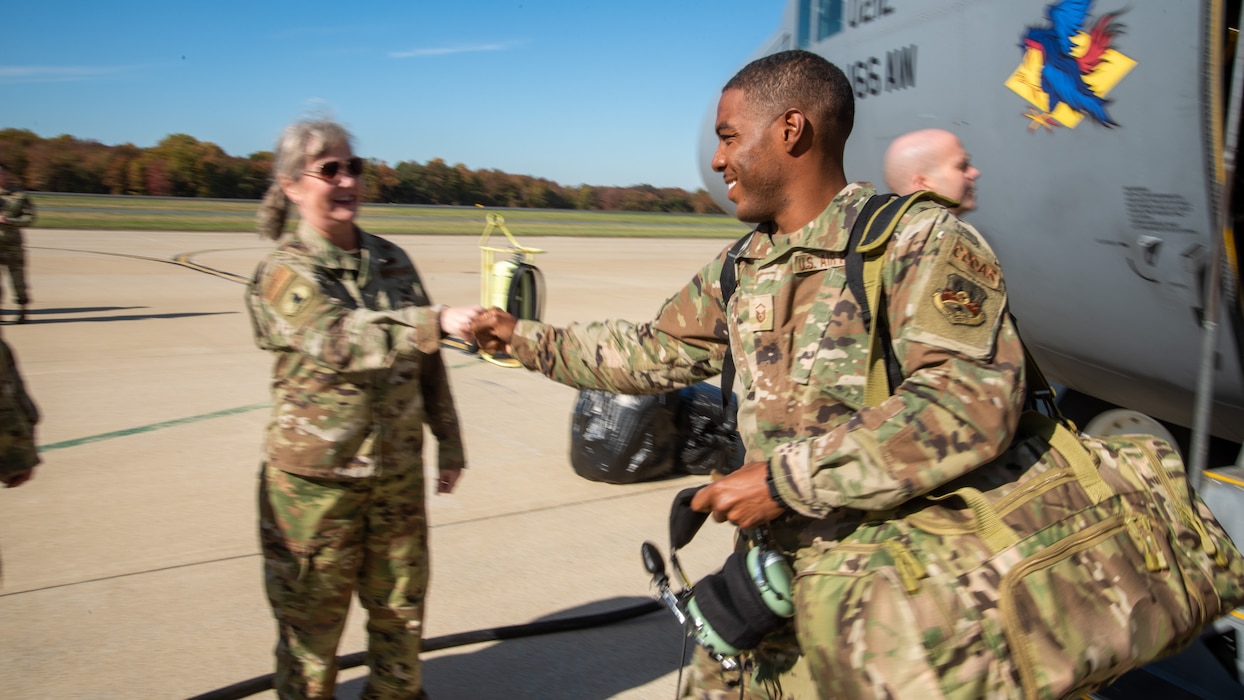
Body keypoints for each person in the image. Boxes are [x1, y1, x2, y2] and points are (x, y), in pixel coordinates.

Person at [473, 50, 1024, 698]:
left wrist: (785, 482)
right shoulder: (745, 265)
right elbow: (652, 352)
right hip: (768, 589)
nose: (716, 160)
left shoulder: (917, 242)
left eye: (729, 137)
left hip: (891, 604)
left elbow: (969, 404)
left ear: (791, 130)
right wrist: (522, 339)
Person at [245, 116, 480, 700]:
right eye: (330, 170)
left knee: (401, 620)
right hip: (315, 491)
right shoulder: (283, 271)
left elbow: (428, 366)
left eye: (355, 167)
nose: (347, 179)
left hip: (395, 479)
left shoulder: (393, 261)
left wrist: (449, 442)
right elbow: (338, 337)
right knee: (311, 637)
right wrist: (435, 319)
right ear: (293, 185)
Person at [882, 127, 980, 214]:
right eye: (962, 166)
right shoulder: (948, 233)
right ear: (924, 184)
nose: (975, 172)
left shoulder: (883, 230)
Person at [0, 163, 36, 324]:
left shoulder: (19, 195)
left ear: (7, 174)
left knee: (18, 281)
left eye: (1, 173)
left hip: (13, 245)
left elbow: (30, 218)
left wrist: (11, 220)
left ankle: (22, 311)